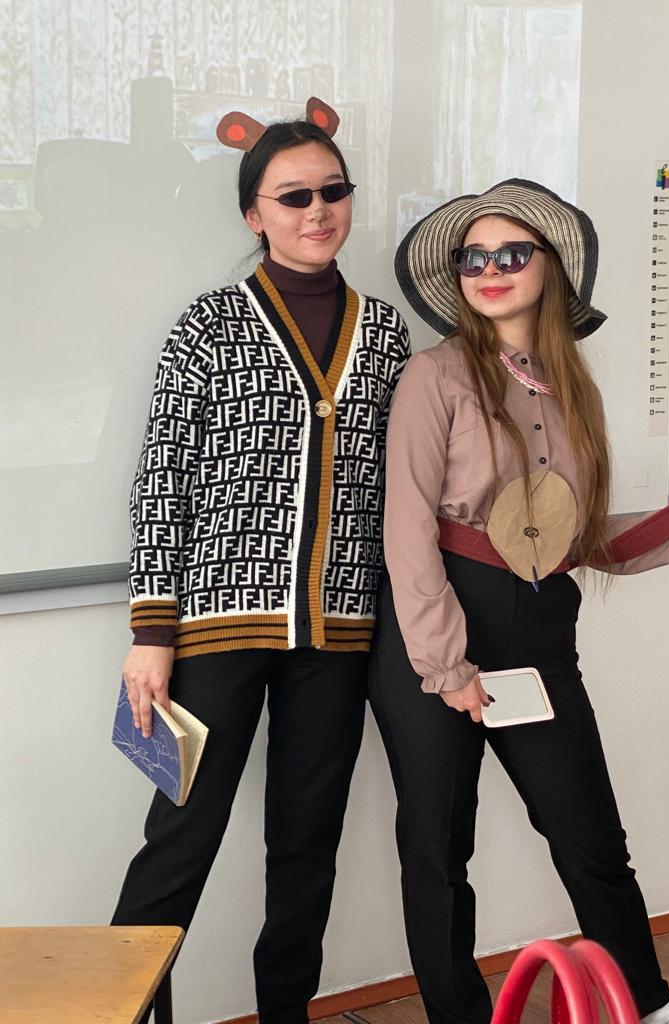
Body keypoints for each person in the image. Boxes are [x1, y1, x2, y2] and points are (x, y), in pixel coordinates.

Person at [368, 178, 669, 1024]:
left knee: (592, 841)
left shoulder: (573, 388)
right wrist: (446, 665)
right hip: (438, 629)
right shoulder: (433, 376)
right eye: (473, 259)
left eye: (512, 253)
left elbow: (579, 539)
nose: (490, 270)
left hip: (537, 627)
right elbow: (407, 527)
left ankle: (652, 1009)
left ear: (551, 267)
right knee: (437, 851)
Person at [112, 98, 410, 1024]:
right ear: (255, 213)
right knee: (178, 842)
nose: (318, 211)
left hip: (339, 636)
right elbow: (163, 477)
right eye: (293, 196)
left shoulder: (386, 333)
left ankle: (287, 1014)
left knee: (306, 848)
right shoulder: (209, 324)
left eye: (332, 191)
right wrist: (152, 631)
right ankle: (115, 1012)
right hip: (211, 633)